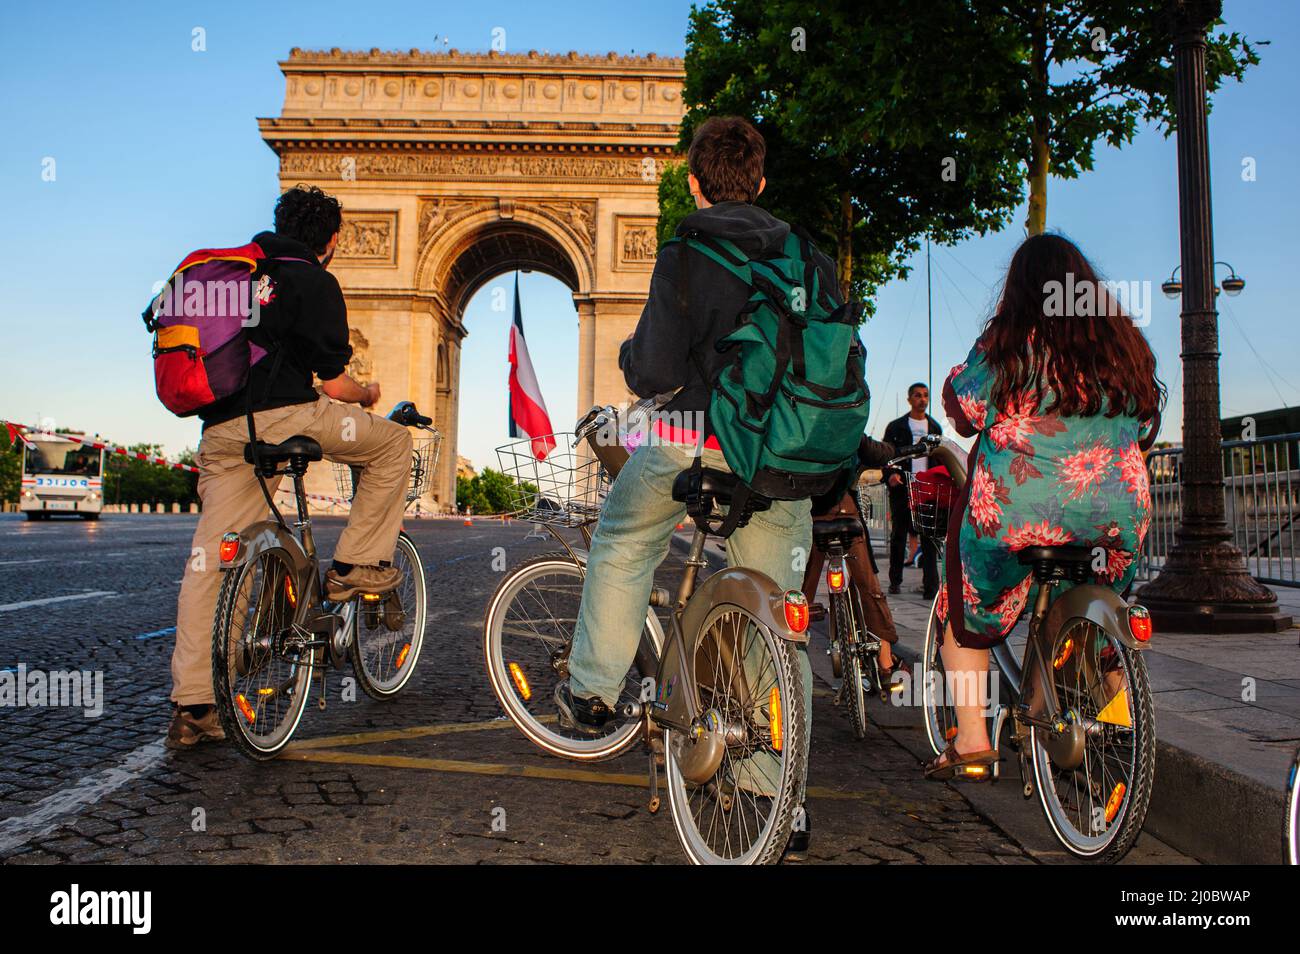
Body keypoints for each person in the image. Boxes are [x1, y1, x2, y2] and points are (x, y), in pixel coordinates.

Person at [167, 185, 413, 749]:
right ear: (329, 241)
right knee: (392, 446)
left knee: (209, 562)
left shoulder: (234, 274)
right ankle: (357, 565)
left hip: (223, 431)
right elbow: (333, 382)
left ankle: (194, 705)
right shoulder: (313, 279)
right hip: (287, 418)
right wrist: (368, 392)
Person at [926, 233, 1163, 779]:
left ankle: (973, 740)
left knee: (964, 608)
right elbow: (1146, 423)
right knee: (1104, 599)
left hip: (1019, 511)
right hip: (1115, 511)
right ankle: (1113, 711)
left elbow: (965, 409)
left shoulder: (1007, 344)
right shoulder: (1123, 344)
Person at [801, 437, 905, 678]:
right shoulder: (848, 419)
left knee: (801, 587)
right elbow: (876, 452)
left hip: (807, 510)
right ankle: (886, 660)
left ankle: (789, 652)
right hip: (842, 507)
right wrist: (898, 449)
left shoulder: (805, 419)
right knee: (868, 583)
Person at [882, 383, 942, 598]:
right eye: (918, 396)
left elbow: (940, 458)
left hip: (927, 489)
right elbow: (886, 455)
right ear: (910, 399)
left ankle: (931, 587)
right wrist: (891, 475)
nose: (922, 399)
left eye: (926, 395)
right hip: (902, 489)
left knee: (929, 538)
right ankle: (895, 581)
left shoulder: (935, 428)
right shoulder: (896, 427)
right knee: (898, 536)